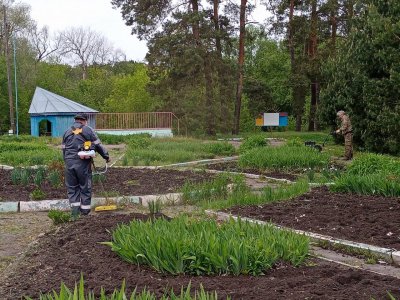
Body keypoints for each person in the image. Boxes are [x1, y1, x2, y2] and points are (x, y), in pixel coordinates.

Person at [62, 113, 110, 218]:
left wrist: (67, 161)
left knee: (72, 188)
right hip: (82, 164)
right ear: (84, 121)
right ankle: (85, 213)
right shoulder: (88, 130)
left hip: (69, 163)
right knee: (85, 187)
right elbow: (98, 145)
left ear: (76, 120)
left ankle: (75, 212)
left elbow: (64, 150)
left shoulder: (66, 132)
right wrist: (106, 156)